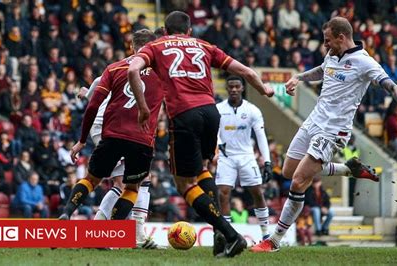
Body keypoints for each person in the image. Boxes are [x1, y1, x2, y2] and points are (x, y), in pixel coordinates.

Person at [251, 17, 397, 253]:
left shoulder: (364, 62)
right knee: (289, 171)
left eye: (327, 40)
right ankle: (347, 169)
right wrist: (299, 77)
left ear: (341, 37)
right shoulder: (332, 54)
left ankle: (274, 240)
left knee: (299, 181)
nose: (325, 45)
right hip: (313, 120)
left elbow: (391, 86)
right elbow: (322, 70)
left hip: (334, 130)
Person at [128, 11, 274, 258]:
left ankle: (230, 234)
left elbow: (133, 70)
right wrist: (266, 89)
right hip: (211, 112)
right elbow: (247, 72)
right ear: (189, 31)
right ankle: (221, 233)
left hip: (185, 114)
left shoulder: (157, 45)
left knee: (184, 183)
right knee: (203, 169)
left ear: (164, 30)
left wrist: (143, 108)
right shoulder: (204, 45)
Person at [58, 29, 164, 247]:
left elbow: (92, 104)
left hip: (111, 133)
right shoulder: (162, 72)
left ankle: (68, 213)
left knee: (93, 179)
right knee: (132, 186)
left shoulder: (114, 67)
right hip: (139, 138)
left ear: (132, 47)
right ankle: (118, 234)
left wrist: (82, 139)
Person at [215, 75, 273, 240]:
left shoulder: (252, 110)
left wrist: (267, 162)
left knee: (257, 192)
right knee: (223, 193)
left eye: (236, 87)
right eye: (230, 86)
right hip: (227, 157)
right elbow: (214, 131)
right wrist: (219, 143)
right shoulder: (218, 109)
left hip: (247, 156)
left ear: (242, 88)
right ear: (226, 89)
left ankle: (266, 234)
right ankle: (227, 235)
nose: (233, 89)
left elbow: (261, 136)